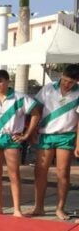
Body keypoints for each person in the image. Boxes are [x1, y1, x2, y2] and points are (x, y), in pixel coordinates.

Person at [0, 69, 40, 217]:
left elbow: (36, 113)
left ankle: (17, 209)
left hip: (11, 137)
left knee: (14, 173)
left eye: (0, 82)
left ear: (8, 81)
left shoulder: (20, 98)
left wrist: (27, 134)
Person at [28, 64, 79, 220]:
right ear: (61, 76)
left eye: (70, 82)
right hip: (46, 134)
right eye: (64, 80)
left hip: (66, 135)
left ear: (77, 81)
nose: (66, 84)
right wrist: (32, 130)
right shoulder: (48, 88)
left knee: (63, 172)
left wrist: (78, 143)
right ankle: (39, 207)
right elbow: (35, 108)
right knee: (40, 171)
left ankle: (60, 208)